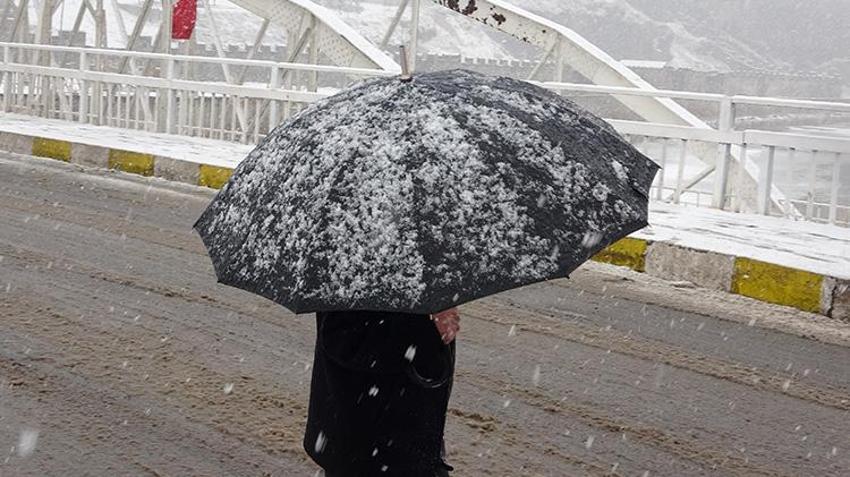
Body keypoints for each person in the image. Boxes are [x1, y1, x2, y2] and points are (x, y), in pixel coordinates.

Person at [304, 307, 460, 477]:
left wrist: (438, 313)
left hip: (410, 434)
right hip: (368, 442)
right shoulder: (352, 284)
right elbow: (344, 337)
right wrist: (427, 331)